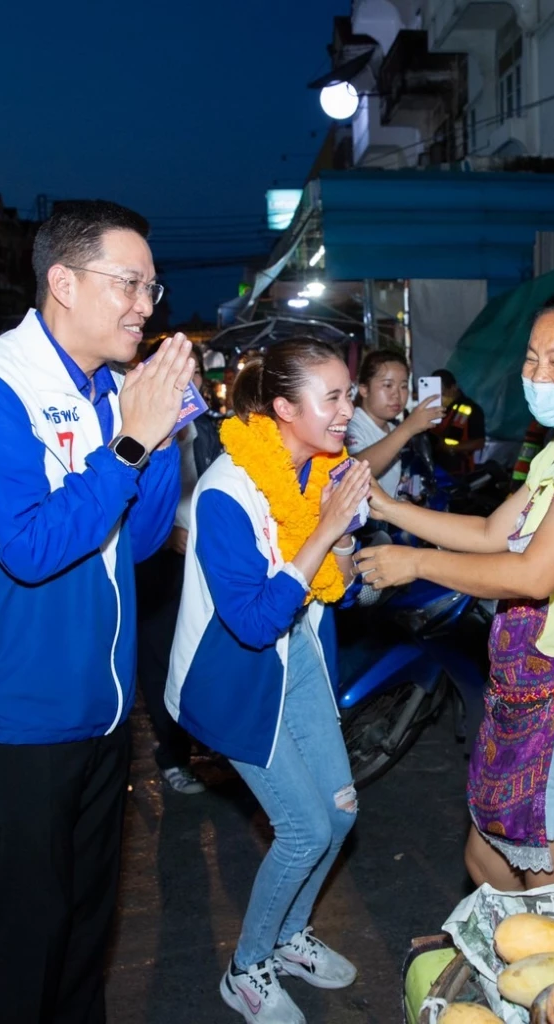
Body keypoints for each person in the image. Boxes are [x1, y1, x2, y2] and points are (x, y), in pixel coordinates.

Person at [0, 199, 192, 1022]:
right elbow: (31, 547)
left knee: (85, 928)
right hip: (6, 717)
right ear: (63, 282)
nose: (146, 305)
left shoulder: (111, 390)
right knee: (27, 933)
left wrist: (164, 438)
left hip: (101, 712)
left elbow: (140, 542)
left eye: (153, 287)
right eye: (129, 283)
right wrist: (131, 444)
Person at [354, 283, 554, 890]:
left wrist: (416, 565)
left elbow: (535, 572)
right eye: (532, 358)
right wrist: (387, 508)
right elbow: (495, 530)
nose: (539, 374)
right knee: (488, 863)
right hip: (533, 685)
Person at [167, 339, 372, 1024]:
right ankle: (246, 965)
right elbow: (253, 622)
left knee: (341, 811)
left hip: (300, 659)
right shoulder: (226, 493)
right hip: (234, 677)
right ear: (284, 407)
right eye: (333, 397)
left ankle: (289, 937)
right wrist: (329, 532)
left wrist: (340, 542)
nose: (349, 409)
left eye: (350, 393)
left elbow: (325, 582)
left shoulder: (318, 470)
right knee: (305, 830)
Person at [134, 345, 218, 795]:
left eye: (196, 371)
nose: (190, 379)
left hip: (204, 560)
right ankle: (172, 754)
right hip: (158, 563)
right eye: (178, 371)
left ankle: (207, 739)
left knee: (204, 651)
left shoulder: (209, 427)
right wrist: (166, 536)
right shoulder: (135, 429)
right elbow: (122, 501)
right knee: (162, 660)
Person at [344, 350, 442, 497]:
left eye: (403, 386)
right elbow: (355, 471)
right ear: (364, 389)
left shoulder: (392, 428)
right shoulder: (350, 424)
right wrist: (407, 428)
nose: (397, 395)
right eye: (388, 385)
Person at [429, 368, 486, 476]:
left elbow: (479, 442)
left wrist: (450, 448)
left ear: (453, 388)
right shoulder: (434, 408)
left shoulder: (472, 409)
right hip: (435, 467)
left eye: (442, 393)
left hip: (459, 471)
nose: (440, 398)